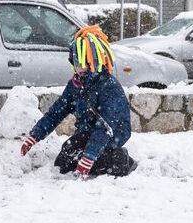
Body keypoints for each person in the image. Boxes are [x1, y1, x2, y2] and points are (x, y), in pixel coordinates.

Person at [19, 25, 137, 178]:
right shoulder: (76, 85)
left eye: (81, 62)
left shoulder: (108, 86)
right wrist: (35, 135)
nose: (77, 68)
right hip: (87, 131)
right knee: (64, 162)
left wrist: (89, 157)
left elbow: (105, 127)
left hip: (112, 134)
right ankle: (92, 157)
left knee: (95, 161)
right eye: (75, 62)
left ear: (92, 60)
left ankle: (122, 160)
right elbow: (56, 112)